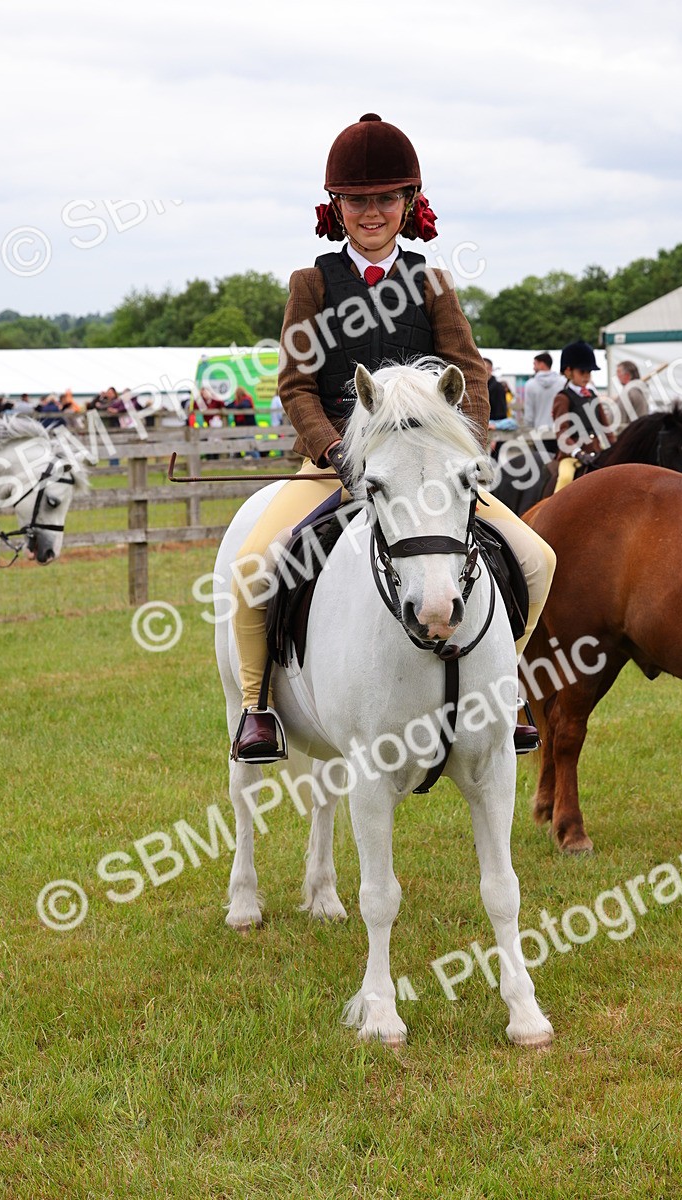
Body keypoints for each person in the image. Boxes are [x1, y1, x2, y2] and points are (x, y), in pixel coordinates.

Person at [229, 113, 556, 762]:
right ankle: (256, 706)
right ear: (337, 207)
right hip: (334, 465)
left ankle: (505, 688)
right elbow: (295, 385)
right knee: (254, 566)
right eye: (357, 200)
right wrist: (336, 451)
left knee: (538, 560)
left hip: (427, 472)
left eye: (384, 199)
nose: (371, 212)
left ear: (409, 205)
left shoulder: (432, 283)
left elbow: (470, 373)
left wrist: (469, 449)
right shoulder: (312, 284)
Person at [551, 341, 614, 492]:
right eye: (582, 372)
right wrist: (578, 452)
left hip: (596, 452)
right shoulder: (563, 398)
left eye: (589, 372)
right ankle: (555, 510)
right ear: (568, 371)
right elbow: (562, 432)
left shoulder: (592, 395)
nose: (586, 376)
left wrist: (615, 448)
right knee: (565, 477)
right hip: (571, 455)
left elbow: (606, 428)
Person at [523, 352, 564, 430]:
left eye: (535, 364)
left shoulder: (530, 384)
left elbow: (529, 411)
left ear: (541, 364)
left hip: (538, 430)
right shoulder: (562, 382)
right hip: (559, 429)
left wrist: (528, 426)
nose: (533, 368)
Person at [612, 360, 650, 427]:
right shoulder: (640, 390)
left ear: (627, 375)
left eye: (618, 372)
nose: (617, 375)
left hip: (631, 433)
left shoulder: (629, 392)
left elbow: (618, 418)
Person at [484, 359, 508, 423]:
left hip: (494, 424)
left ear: (491, 369)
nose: (483, 371)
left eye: (485, 368)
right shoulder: (479, 387)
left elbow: (501, 412)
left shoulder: (498, 387)